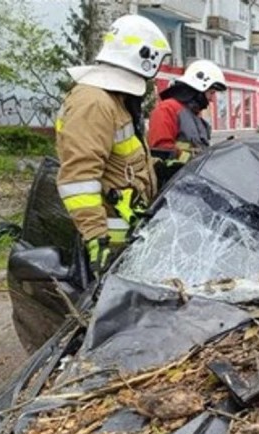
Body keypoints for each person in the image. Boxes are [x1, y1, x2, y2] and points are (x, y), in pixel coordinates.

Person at [55, 14, 171, 278]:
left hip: (126, 239)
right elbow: (78, 178)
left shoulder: (113, 100)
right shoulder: (94, 102)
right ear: (145, 57)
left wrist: (159, 168)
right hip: (109, 243)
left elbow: (120, 164)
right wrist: (96, 237)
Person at [148, 59, 227, 165]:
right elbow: (161, 151)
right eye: (211, 93)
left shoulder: (193, 115)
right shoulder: (167, 109)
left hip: (191, 177)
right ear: (199, 89)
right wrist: (194, 160)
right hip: (173, 178)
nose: (212, 99)